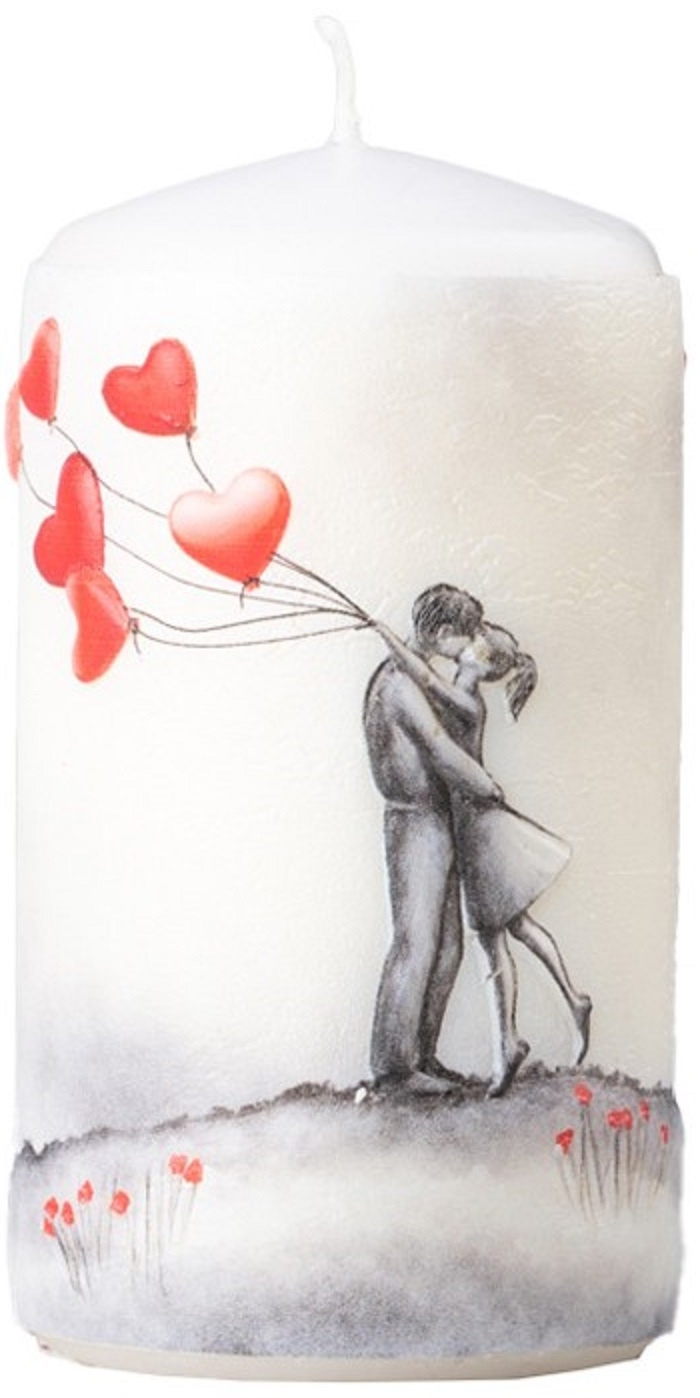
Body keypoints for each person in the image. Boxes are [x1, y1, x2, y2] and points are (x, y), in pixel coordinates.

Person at [373, 614, 592, 1095]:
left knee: (500, 930)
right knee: (498, 931)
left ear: (482, 661)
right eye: (467, 634)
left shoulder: (463, 697)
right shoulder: (448, 690)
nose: (466, 644)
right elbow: (425, 688)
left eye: (474, 641)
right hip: (465, 823)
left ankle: (538, 1023)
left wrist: (388, 637)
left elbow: (436, 725)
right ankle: (517, 1035)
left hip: (477, 823)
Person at [363, 584, 505, 1094]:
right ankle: (394, 1068)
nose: (469, 643)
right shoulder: (398, 684)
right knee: (416, 942)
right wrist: (486, 786)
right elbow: (440, 748)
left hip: (436, 818)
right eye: (464, 634)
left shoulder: (418, 676)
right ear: (443, 632)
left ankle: (423, 1056)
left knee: (447, 947)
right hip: (414, 821)